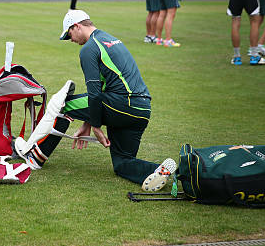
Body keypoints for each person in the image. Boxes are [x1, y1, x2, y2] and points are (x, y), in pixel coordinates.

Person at [15, 10, 176, 191]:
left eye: (69, 35)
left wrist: (96, 127)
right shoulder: (110, 39)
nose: (72, 40)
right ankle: (171, 173)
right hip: (142, 111)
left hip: (123, 105)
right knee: (123, 163)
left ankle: (35, 158)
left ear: (77, 26)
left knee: (62, 104)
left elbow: (95, 94)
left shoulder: (89, 49)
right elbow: (103, 87)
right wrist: (88, 123)